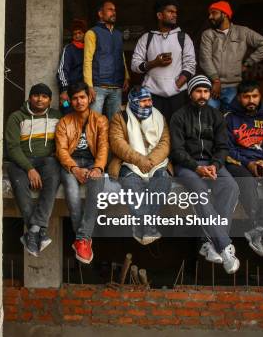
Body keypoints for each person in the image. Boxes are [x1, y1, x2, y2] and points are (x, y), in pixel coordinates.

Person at [170, 75, 240, 274]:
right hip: (187, 166)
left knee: (231, 186)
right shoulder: (179, 116)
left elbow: (222, 147)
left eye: (206, 91)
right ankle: (225, 246)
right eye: (198, 91)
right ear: (190, 93)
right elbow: (177, 150)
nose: (203, 95)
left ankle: (209, 243)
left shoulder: (216, 115)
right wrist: (196, 168)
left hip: (212, 165)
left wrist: (215, 166)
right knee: (199, 191)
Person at [225, 80, 263, 256]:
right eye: (246, 96)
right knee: (247, 184)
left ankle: (261, 229)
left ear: (259, 97)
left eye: (255, 96)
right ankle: (255, 226)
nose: (251, 100)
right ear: (239, 97)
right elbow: (226, 149)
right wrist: (247, 163)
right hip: (238, 163)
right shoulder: (229, 118)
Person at [108, 87, 171, 245]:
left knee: (163, 181)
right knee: (132, 184)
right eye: (143, 101)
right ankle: (148, 228)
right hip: (128, 163)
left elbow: (165, 143)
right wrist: (139, 160)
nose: (148, 104)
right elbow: (117, 144)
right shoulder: (120, 116)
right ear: (134, 102)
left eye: (149, 100)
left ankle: (140, 226)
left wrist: (149, 161)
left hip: (156, 163)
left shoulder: (158, 116)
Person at [5, 83, 61, 256]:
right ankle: (39, 230)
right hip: (21, 161)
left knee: (54, 175)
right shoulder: (16, 117)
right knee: (18, 183)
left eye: (44, 96)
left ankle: (33, 230)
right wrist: (29, 169)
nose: (39, 99)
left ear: (50, 100)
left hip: (46, 160)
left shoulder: (57, 116)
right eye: (36, 95)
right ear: (30, 97)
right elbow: (13, 148)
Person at [55, 81, 108, 264]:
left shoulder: (100, 120)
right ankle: (84, 241)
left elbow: (103, 147)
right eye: (75, 98)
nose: (79, 102)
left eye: (82, 97)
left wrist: (98, 167)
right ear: (70, 100)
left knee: (95, 192)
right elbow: (61, 151)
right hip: (71, 163)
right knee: (72, 193)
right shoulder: (64, 122)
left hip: (93, 162)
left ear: (89, 98)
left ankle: (81, 239)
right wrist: (75, 169)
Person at [131, 0, 196, 122]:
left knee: (177, 132)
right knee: (155, 132)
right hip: (152, 94)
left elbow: (190, 65)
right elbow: (134, 65)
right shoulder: (147, 38)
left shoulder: (183, 37)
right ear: (159, 15)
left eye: (175, 12)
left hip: (178, 95)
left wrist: (176, 86)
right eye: (170, 12)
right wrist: (154, 63)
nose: (174, 15)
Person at [200, 1, 263, 112]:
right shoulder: (208, 34)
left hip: (233, 87)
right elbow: (205, 59)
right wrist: (216, 80)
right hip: (212, 87)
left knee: (233, 120)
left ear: (225, 14)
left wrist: (249, 63)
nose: (210, 17)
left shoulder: (243, 32)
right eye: (210, 14)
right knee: (210, 119)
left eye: (214, 13)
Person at [83, 1, 131, 121]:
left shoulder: (118, 34)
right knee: (95, 123)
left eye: (114, 10)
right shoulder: (92, 33)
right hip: (98, 86)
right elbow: (87, 60)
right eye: (110, 10)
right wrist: (89, 85)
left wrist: (126, 76)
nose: (113, 13)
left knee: (115, 123)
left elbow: (122, 56)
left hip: (117, 86)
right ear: (100, 13)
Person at [57, 19, 87, 115]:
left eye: (80, 33)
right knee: (67, 111)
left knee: (84, 116)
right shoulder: (68, 49)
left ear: (85, 34)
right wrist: (64, 90)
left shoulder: (89, 48)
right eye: (75, 34)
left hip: (84, 90)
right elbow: (62, 70)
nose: (77, 36)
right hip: (68, 91)